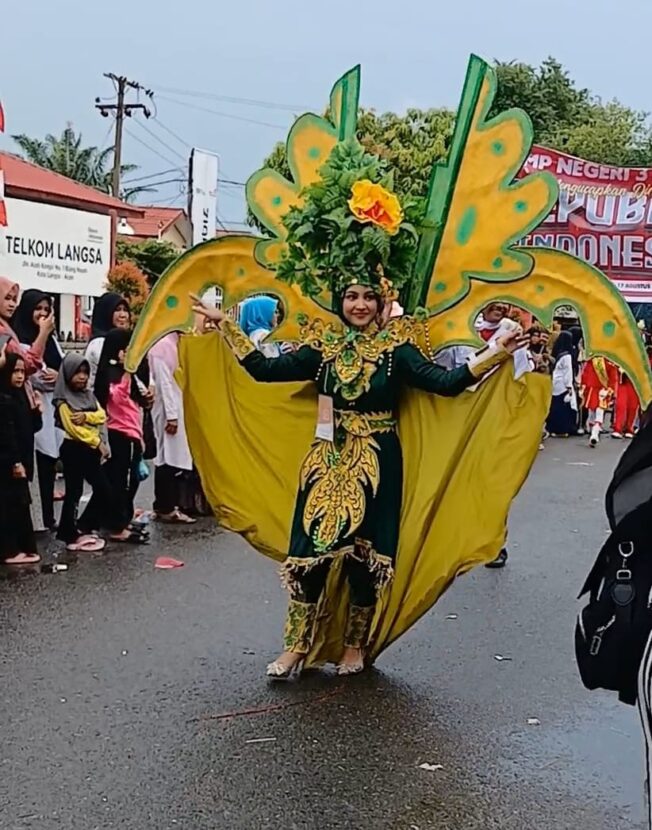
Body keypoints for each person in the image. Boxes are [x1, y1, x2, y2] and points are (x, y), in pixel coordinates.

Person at [192, 284, 526, 678]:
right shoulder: (323, 348)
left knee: (365, 558)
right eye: (352, 296)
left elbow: (446, 383)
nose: (360, 305)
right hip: (326, 460)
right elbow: (265, 371)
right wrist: (227, 326)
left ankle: (354, 645)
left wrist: (498, 350)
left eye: (369, 297)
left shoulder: (397, 350)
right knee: (307, 557)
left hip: (379, 462)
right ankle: (296, 646)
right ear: (340, 302)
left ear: (382, 303)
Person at [90, 328, 150, 543]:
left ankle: (121, 519)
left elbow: (140, 400)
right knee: (119, 481)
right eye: (126, 349)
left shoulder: (132, 374)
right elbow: (109, 397)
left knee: (132, 480)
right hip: (116, 433)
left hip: (134, 433)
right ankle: (115, 525)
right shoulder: (109, 374)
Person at [12, 289, 64, 530]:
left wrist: (60, 374)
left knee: (50, 462)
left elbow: (64, 367)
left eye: (46, 309)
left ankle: (47, 517)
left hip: (52, 406)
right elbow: (33, 372)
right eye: (38, 308)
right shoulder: (18, 337)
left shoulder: (51, 338)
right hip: (32, 405)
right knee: (36, 462)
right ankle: (35, 520)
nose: (42, 314)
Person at [54, 354, 115, 552]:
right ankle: (69, 532)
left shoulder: (88, 395)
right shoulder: (63, 401)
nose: (82, 377)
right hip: (74, 449)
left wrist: (87, 416)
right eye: (77, 373)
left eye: (85, 373)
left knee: (103, 489)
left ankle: (84, 525)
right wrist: (97, 442)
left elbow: (101, 415)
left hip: (90, 450)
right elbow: (73, 428)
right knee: (74, 491)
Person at [148, 332, 195, 524]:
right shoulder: (162, 347)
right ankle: (166, 507)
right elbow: (164, 383)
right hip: (168, 409)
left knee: (171, 456)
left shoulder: (176, 344)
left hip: (175, 406)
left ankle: (166, 505)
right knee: (168, 457)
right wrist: (172, 416)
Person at [0, 352, 42, 564]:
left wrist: (37, 410)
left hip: (22, 459)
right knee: (10, 505)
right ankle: (10, 550)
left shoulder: (20, 396)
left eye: (22, 372)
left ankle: (22, 547)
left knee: (20, 504)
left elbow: (33, 428)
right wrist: (15, 461)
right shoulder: (4, 398)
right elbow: (7, 435)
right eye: (14, 371)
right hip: (8, 462)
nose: (18, 376)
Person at [0, 276, 54, 376]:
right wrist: (43, 333)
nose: (12, 304)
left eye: (14, 299)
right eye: (7, 298)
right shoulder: (3, 332)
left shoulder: (7, 327)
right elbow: (28, 365)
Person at [84, 292, 131, 386]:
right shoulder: (99, 343)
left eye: (125, 310)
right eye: (117, 310)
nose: (123, 315)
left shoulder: (124, 342)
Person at [580, 357, 619, 447]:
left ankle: (594, 434)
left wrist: (610, 390)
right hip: (595, 391)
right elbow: (585, 375)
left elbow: (613, 379)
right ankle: (593, 433)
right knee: (594, 414)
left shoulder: (596, 362)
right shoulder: (594, 362)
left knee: (598, 414)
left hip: (599, 391)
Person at [546, 331, 578, 437]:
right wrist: (569, 386)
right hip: (563, 385)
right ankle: (562, 429)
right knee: (564, 409)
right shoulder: (568, 356)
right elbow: (568, 372)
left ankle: (552, 429)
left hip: (555, 383)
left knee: (555, 406)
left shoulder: (558, 353)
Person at [612, 370, 640, 440]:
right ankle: (617, 428)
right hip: (623, 380)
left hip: (636, 382)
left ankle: (629, 428)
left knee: (633, 406)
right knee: (621, 405)